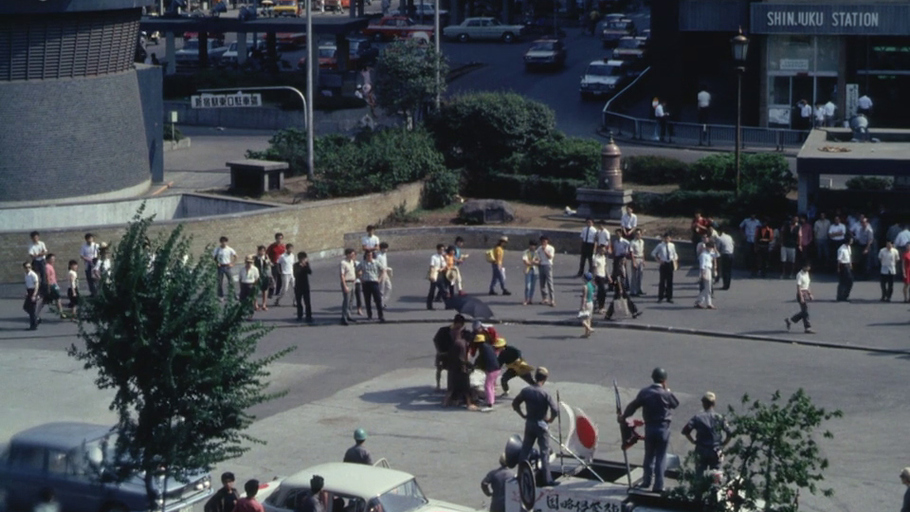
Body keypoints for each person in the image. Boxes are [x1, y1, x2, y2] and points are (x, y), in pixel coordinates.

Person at [619, 367, 679, 493]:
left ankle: (646, 482)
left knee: (649, 456)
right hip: (663, 429)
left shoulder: (645, 392)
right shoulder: (666, 393)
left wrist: (624, 417)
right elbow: (675, 404)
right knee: (661, 457)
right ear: (663, 380)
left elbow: (633, 406)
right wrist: (668, 390)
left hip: (650, 428)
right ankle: (658, 485)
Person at [512, 367, 559, 487]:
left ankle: (520, 475)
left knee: (525, 450)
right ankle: (547, 479)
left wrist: (522, 414)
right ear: (545, 379)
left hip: (529, 423)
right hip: (541, 424)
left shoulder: (526, 391)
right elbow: (555, 410)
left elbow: (515, 403)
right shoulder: (545, 393)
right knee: (544, 452)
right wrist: (551, 419)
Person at [681, 392, 731, 477]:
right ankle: (714, 489)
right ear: (714, 404)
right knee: (715, 474)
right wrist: (723, 444)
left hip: (701, 449)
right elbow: (729, 433)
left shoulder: (698, 417)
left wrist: (693, 441)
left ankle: (698, 488)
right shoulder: (720, 417)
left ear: (703, 403)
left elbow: (686, 431)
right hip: (715, 450)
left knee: (699, 473)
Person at [444, 317, 477, 411]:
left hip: (452, 368)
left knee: (451, 387)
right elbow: (462, 358)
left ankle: (445, 402)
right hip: (461, 369)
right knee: (466, 388)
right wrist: (468, 364)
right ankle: (469, 404)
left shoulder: (455, 342)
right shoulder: (462, 344)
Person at [433, 314, 469, 390]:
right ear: (456, 323)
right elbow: (436, 340)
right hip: (443, 353)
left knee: (454, 370)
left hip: (455, 355)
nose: (460, 326)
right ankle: (438, 385)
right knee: (439, 369)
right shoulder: (444, 330)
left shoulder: (463, 332)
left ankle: (454, 386)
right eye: (460, 325)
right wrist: (439, 351)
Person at [785, 262, 815, 334]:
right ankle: (807, 327)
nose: (809, 268)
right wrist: (801, 297)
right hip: (801, 293)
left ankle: (790, 320)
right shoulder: (799, 275)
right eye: (807, 267)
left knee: (804, 311)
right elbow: (798, 287)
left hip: (805, 292)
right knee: (805, 311)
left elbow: (807, 285)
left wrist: (809, 294)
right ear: (804, 267)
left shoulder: (806, 274)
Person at [475, 336, 503, 407]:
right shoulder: (488, 346)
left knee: (487, 386)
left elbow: (480, 359)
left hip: (491, 370)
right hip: (497, 368)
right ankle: (492, 400)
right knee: (491, 385)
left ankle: (489, 403)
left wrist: (475, 365)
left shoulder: (482, 348)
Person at [652, 233, 678, 304]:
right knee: (662, 281)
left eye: (668, 238)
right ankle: (660, 297)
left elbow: (674, 254)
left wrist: (675, 261)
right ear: (663, 239)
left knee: (670, 281)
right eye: (666, 238)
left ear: (670, 239)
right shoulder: (660, 245)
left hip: (670, 263)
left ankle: (669, 297)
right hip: (663, 264)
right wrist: (659, 260)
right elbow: (653, 253)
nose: (667, 240)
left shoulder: (672, 245)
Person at [360, 249, 385, 323]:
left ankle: (380, 315)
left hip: (374, 282)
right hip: (366, 283)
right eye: (368, 255)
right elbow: (356, 270)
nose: (369, 256)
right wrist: (360, 278)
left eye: (370, 255)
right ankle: (369, 315)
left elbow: (383, 270)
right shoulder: (362, 263)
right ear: (365, 256)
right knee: (367, 300)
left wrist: (379, 279)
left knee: (378, 300)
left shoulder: (376, 262)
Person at [213, 236, 237, 300]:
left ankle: (234, 295)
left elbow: (235, 256)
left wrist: (232, 263)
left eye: (225, 241)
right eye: (222, 242)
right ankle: (220, 296)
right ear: (220, 242)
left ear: (226, 242)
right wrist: (217, 263)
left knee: (231, 281)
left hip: (227, 266)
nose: (224, 243)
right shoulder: (217, 249)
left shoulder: (229, 249)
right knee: (220, 282)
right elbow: (214, 257)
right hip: (220, 266)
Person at [340, 249, 359, 326]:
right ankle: (344, 317)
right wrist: (344, 286)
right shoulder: (343, 263)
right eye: (351, 254)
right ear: (347, 254)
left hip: (352, 282)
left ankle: (349, 315)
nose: (353, 256)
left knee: (351, 300)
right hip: (347, 282)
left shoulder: (352, 262)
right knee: (346, 301)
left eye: (354, 254)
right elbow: (342, 275)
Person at [28, 231, 49, 299]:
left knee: (44, 277)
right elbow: (32, 255)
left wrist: (39, 254)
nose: (35, 239)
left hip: (42, 261)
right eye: (34, 238)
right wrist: (40, 254)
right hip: (35, 262)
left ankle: (44, 293)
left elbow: (45, 252)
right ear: (32, 238)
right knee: (36, 277)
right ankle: (36, 293)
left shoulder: (42, 243)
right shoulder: (31, 245)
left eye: (37, 237)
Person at [294, 252, 313, 322]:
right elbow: (296, 274)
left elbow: (310, 272)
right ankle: (300, 315)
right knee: (299, 302)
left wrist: (305, 266)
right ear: (300, 259)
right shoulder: (295, 265)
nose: (305, 259)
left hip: (305, 286)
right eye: (304, 258)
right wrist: (301, 267)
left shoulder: (306, 265)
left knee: (307, 302)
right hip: (298, 286)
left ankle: (309, 316)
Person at [428, 244, 448, 310]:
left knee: (443, 290)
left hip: (440, 274)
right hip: (434, 273)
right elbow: (432, 266)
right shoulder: (433, 257)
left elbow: (444, 266)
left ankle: (448, 304)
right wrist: (431, 275)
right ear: (438, 249)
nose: (442, 251)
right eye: (441, 249)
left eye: (443, 250)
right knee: (432, 291)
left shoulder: (442, 257)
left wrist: (442, 269)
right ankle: (429, 306)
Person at [265, 233, 286, 298]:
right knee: (273, 278)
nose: (279, 240)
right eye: (278, 238)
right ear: (276, 238)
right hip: (274, 264)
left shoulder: (283, 246)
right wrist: (269, 261)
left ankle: (277, 291)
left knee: (280, 278)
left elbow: (285, 254)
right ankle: (271, 292)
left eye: (281, 238)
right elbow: (266, 254)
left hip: (281, 264)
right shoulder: (272, 246)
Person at [537, 236, 555, 306]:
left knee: (549, 282)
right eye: (542, 241)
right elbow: (537, 256)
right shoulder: (539, 248)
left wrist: (544, 250)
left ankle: (552, 299)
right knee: (542, 283)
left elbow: (550, 257)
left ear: (547, 241)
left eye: (544, 241)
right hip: (541, 265)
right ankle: (544, 298)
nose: (543, 243)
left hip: (548, 265)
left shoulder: (551, 248)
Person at [521, 240, 540, 306]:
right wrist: (534, 262)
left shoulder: (537, 253)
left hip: (535, 270)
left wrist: (531, 262)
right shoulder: (525, 252)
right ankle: (526, 299)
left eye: (534, 246)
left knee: (533, 286)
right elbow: (526, 262)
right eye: (531, 245)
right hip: (528, 270)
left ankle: (530, 299)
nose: (532, 247)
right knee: (528, 286)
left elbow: (539, 262)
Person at [253, 246, 271, 312]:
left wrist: (268, 260)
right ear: (258, 251)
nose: (262, 252)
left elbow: (269, 264)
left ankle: (264, 304)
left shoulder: (266, 257)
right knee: (256, 290)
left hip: (265, 275)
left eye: (263, 251)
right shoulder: (255, 258)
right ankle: (256, 305)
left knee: (265, 290)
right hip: (257, 276)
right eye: (260, 250)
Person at [836, 236, 854, 302]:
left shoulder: (848, 247)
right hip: (843, 265)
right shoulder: (841, 249)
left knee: (849, 281)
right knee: (843, 281)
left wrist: (850, 264)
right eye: (851, 240)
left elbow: (849, 256)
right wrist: (838, 268)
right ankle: (840, 296)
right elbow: (839, 260)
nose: (852, 241)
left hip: (847, 265)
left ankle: (845, 295)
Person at [593, 244, 609, 312]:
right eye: (602, 250)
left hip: (603, 275)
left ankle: (599, 305)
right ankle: (600, 307)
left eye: (604, 250)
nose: (603, 251)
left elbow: (605, 267)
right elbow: (594, 268)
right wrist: (594, 277)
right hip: (598, 276)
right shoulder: (596, 258)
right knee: (603, 291)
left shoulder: (604, 257)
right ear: (598, 250)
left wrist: (608, 276)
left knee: (601, 292)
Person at [23, 262, 40, 331]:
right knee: (26, 307)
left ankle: (33, 326)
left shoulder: (33, 275)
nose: (28, 269)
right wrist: (27, 292)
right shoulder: (26, 275)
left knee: (32, 309)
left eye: (29, 267)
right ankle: (36, 319)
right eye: (26, 267)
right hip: (29, 291)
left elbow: (36, 285)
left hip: (33, 291)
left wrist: (34, 295)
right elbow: (27, 284)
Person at [376, 242, 393, 308]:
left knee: (389, 287)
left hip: (385, 272)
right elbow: (378, 265)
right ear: (382, 248)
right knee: (381, 289)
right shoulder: (379, 256)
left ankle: (383, 301)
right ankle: (381, 303)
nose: (386, 249)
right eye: (385, 248)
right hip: (381, 273)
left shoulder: (384, 255)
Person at [629, 229, 645, 296]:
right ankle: (633, 291)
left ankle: (639, 289)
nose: (638, 235)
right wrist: (634, 262)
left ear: (641, 234)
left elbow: (643, 251)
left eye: (639, 234)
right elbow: (631, 252)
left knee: (640, 275)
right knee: (634, 276)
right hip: (635, 258)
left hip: (641, 258)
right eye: (636, 234)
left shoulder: (642, 241)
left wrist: (644, 260)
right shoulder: (633, 242)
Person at [579, 273, 595, 338]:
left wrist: (582, 305)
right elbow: (592, 294)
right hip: (591, 302)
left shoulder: (585, 286)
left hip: (586, 303)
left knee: (581, 318)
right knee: (589, 319)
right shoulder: (591, 285)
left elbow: (584, 297)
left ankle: (589, 328)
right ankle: (587, 334)